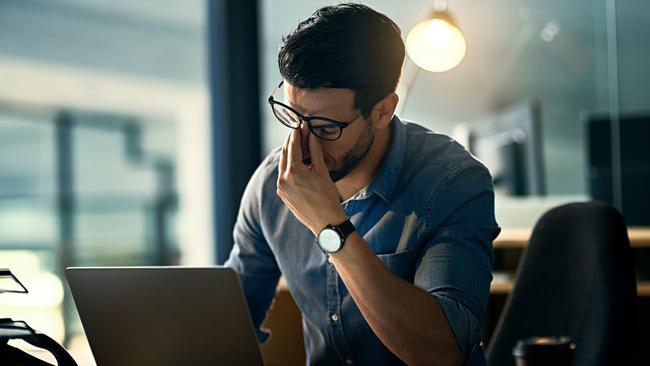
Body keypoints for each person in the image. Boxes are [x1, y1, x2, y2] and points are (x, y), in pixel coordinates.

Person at [225, 3, 500, 365]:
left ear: (384, 110)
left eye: (326, 128)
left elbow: (442, 351)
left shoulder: (452, 183)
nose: (302, 144)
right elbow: (230, 322)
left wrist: (328, 225)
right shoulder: (271, 185)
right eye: (291, 115)